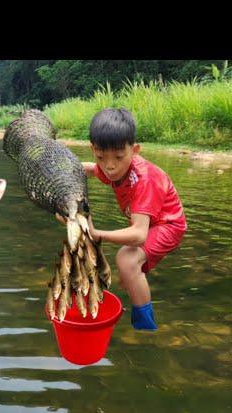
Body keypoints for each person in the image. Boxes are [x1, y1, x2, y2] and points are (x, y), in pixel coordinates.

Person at [70, 107, 187, 331]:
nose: (110, 166)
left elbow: (139, 234)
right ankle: (136, 295)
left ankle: (145, 327)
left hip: (168, 225)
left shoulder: (145, 179)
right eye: (101, 156)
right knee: (127, 277)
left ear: (134, 150)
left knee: (127, 260)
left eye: (119, 157)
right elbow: (93, 170)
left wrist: (96, 234)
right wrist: (67, 169)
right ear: (93, 149)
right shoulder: (109, 166)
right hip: (149, 224)